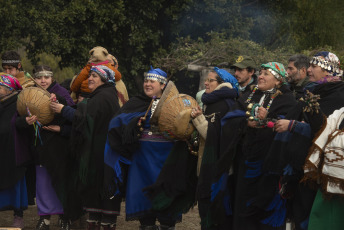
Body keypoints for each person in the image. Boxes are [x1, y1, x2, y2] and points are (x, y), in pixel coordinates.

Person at [211, 62, 297, 229]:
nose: (261, 76)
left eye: (266, 73)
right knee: (242, 202)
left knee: (263, 206)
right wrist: (245, 123)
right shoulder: (249, 96)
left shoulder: (288, 100)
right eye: (261, 73)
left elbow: (289, 127)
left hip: (269, 165)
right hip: (245, 161)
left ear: (278, 80)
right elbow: (229, 119)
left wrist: (269, 117)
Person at [274, 51, 344, 230]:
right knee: (297, 214)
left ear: (329, 70)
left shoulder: (338, 95)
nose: (309, 70)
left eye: (314, 67)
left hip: (319, 171)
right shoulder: (312, 91)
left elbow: (328, 130)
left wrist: (295, 126)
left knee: (310, 216)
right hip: (299, 165)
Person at [103, 67, 179, 230]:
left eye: (152, 81)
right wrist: (134, 124)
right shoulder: (136, 103)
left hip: (166, 160)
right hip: (142, 159)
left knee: (166, 197)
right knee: (144, 201)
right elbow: (116, 122)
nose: (148, 84)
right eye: (146, 81)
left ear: (163, 85)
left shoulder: (175, 104)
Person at [50, 65, 120, 230]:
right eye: (90, 76)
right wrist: (62, 104)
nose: (90, 79)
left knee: (100, 193)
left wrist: (62, 110)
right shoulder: (104, 95)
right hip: (101, 154)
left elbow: (83, 117)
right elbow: (84, 111)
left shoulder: (103, 97)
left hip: (101, 156)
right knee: (96, 198)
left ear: (104, 80)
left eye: (95, 76)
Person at [21, 65, 74, 230]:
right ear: (34, 79)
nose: (43, 80)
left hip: (60, 146)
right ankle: (45, 218)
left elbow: (76, 120)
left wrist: (62, 129)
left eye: (47, 77)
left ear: (52, 78)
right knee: (43, 183)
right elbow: (19, 117)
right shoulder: (28, 93)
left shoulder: (62, 93)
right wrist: (26, 122)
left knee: (61, 181)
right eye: (39, 77)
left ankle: (65, 216)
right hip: (39, 145)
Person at [190, 67, 238, 229]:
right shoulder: (212, 101)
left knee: (214, 210)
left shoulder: (224, 104)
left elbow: (214, 137)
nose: (206, 83)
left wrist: (198, 119)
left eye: (211, 80)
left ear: (222, 83)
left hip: (218, 167)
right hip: (209, 164)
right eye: (206, 80)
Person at [0, 73, 27, 229]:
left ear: (9, 89)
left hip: (14, 151)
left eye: (0, 86)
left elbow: (25, 122)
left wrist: (24, 121)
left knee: (15, 183)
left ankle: (18, 215)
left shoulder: (20, 103)